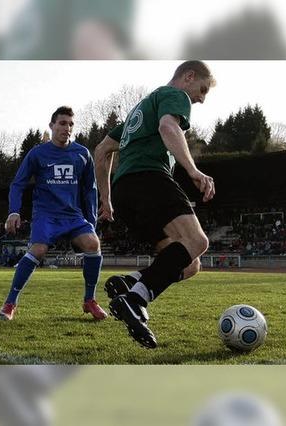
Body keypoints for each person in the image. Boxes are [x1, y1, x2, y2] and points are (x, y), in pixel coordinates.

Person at [94, 60, 216, 349]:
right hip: (149, 179)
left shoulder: (140, 112)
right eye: (201, 90)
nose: (200, 98)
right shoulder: (174, 96)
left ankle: (130, 283)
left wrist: (107, 199)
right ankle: (135, 300)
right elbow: (168, 126)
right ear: (188, 77)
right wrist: (193, 171)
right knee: (198, 241)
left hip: (125, 194)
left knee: (191, 264)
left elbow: (101, 151)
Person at [0, 106, 107, 321]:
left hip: (73, 216)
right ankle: (10, 302)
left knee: (93, 244)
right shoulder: (38, 153)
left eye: (71, 124)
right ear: (52, 126)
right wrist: (13, 212)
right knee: (37, 250)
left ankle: (89, 300)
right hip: (46, 214)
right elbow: (18, 184)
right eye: (62, 123)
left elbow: (90, 190)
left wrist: (91, 220)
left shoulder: (82, 154)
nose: (67, 128)